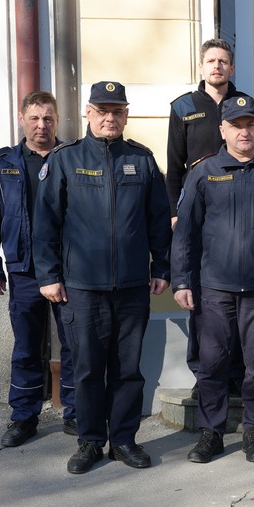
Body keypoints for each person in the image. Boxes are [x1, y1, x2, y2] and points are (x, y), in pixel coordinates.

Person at [34, 81, 172, 474]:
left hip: (131, 285)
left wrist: (162, 268)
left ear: (126, 116)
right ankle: (91, 441)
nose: (110, 118)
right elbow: (45, 223)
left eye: (117, 111)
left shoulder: (142, 160)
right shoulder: (66, 159)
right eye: (102, 110)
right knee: (89, 369)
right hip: (82, 286)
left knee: (128, 370)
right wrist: (49, 275)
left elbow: (159, 220)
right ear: (89, 113)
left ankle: (124, 440)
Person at [172, 95, 254, 464]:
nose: (243, 132)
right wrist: (182, 280)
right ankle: (211, 433)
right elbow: (185, 233)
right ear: (222, 130)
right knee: (212, 365)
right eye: (236, 125)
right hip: (214, 288)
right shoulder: (203, 171)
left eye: (250, 124)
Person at [0, 91, 75, 447]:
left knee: (74, 344)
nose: (41, 125)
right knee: (26, 347)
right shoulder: (4, 164)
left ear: (57, 120)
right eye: (34, 118)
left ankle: (76, 412)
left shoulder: (71, 158)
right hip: (23, 270)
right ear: (22, 119)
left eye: (48, 118)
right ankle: (24, 417)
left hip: (67, 269)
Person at [165, 39, 252, 397]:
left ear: (232, 67)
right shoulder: (183, 107)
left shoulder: (246, 104)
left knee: (242, 297)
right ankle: (204, 374)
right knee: (202, 298)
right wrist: (175, 213)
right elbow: (174, 168)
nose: (217, 66)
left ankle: (238, 374)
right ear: (201, 67)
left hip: (241, 211)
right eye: (211, 61)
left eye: (223, 61)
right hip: (198, 214)